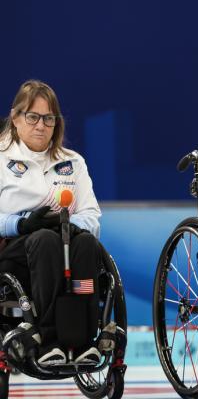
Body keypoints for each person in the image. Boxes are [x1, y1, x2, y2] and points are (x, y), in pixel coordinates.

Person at [0, 80, 102, 367]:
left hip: (67, 242)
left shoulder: (73, 162)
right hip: (15, 251)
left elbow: (92, 216)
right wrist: (21, 225)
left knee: (86, 243)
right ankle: (48, 339)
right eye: (32, 117)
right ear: (15, 118)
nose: (40, 125)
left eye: (48, 118)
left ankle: (85, 340)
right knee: (43, 240)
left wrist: (66, 224)